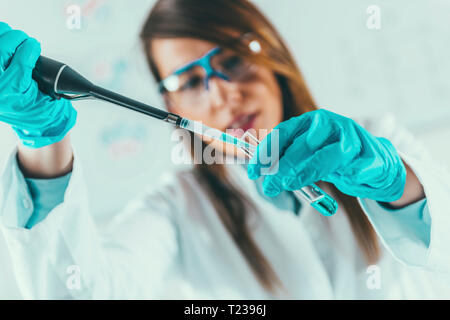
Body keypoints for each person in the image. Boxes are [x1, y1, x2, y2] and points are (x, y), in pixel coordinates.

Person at [1, 0, 449, 299]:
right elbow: (77, 291)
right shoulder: (176, 209)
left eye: (233, 60)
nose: (222, 96)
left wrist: (397, 183)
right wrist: (44, 139)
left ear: (272, 55)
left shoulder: (373, 141)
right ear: (171, 104)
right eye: (190, 81)